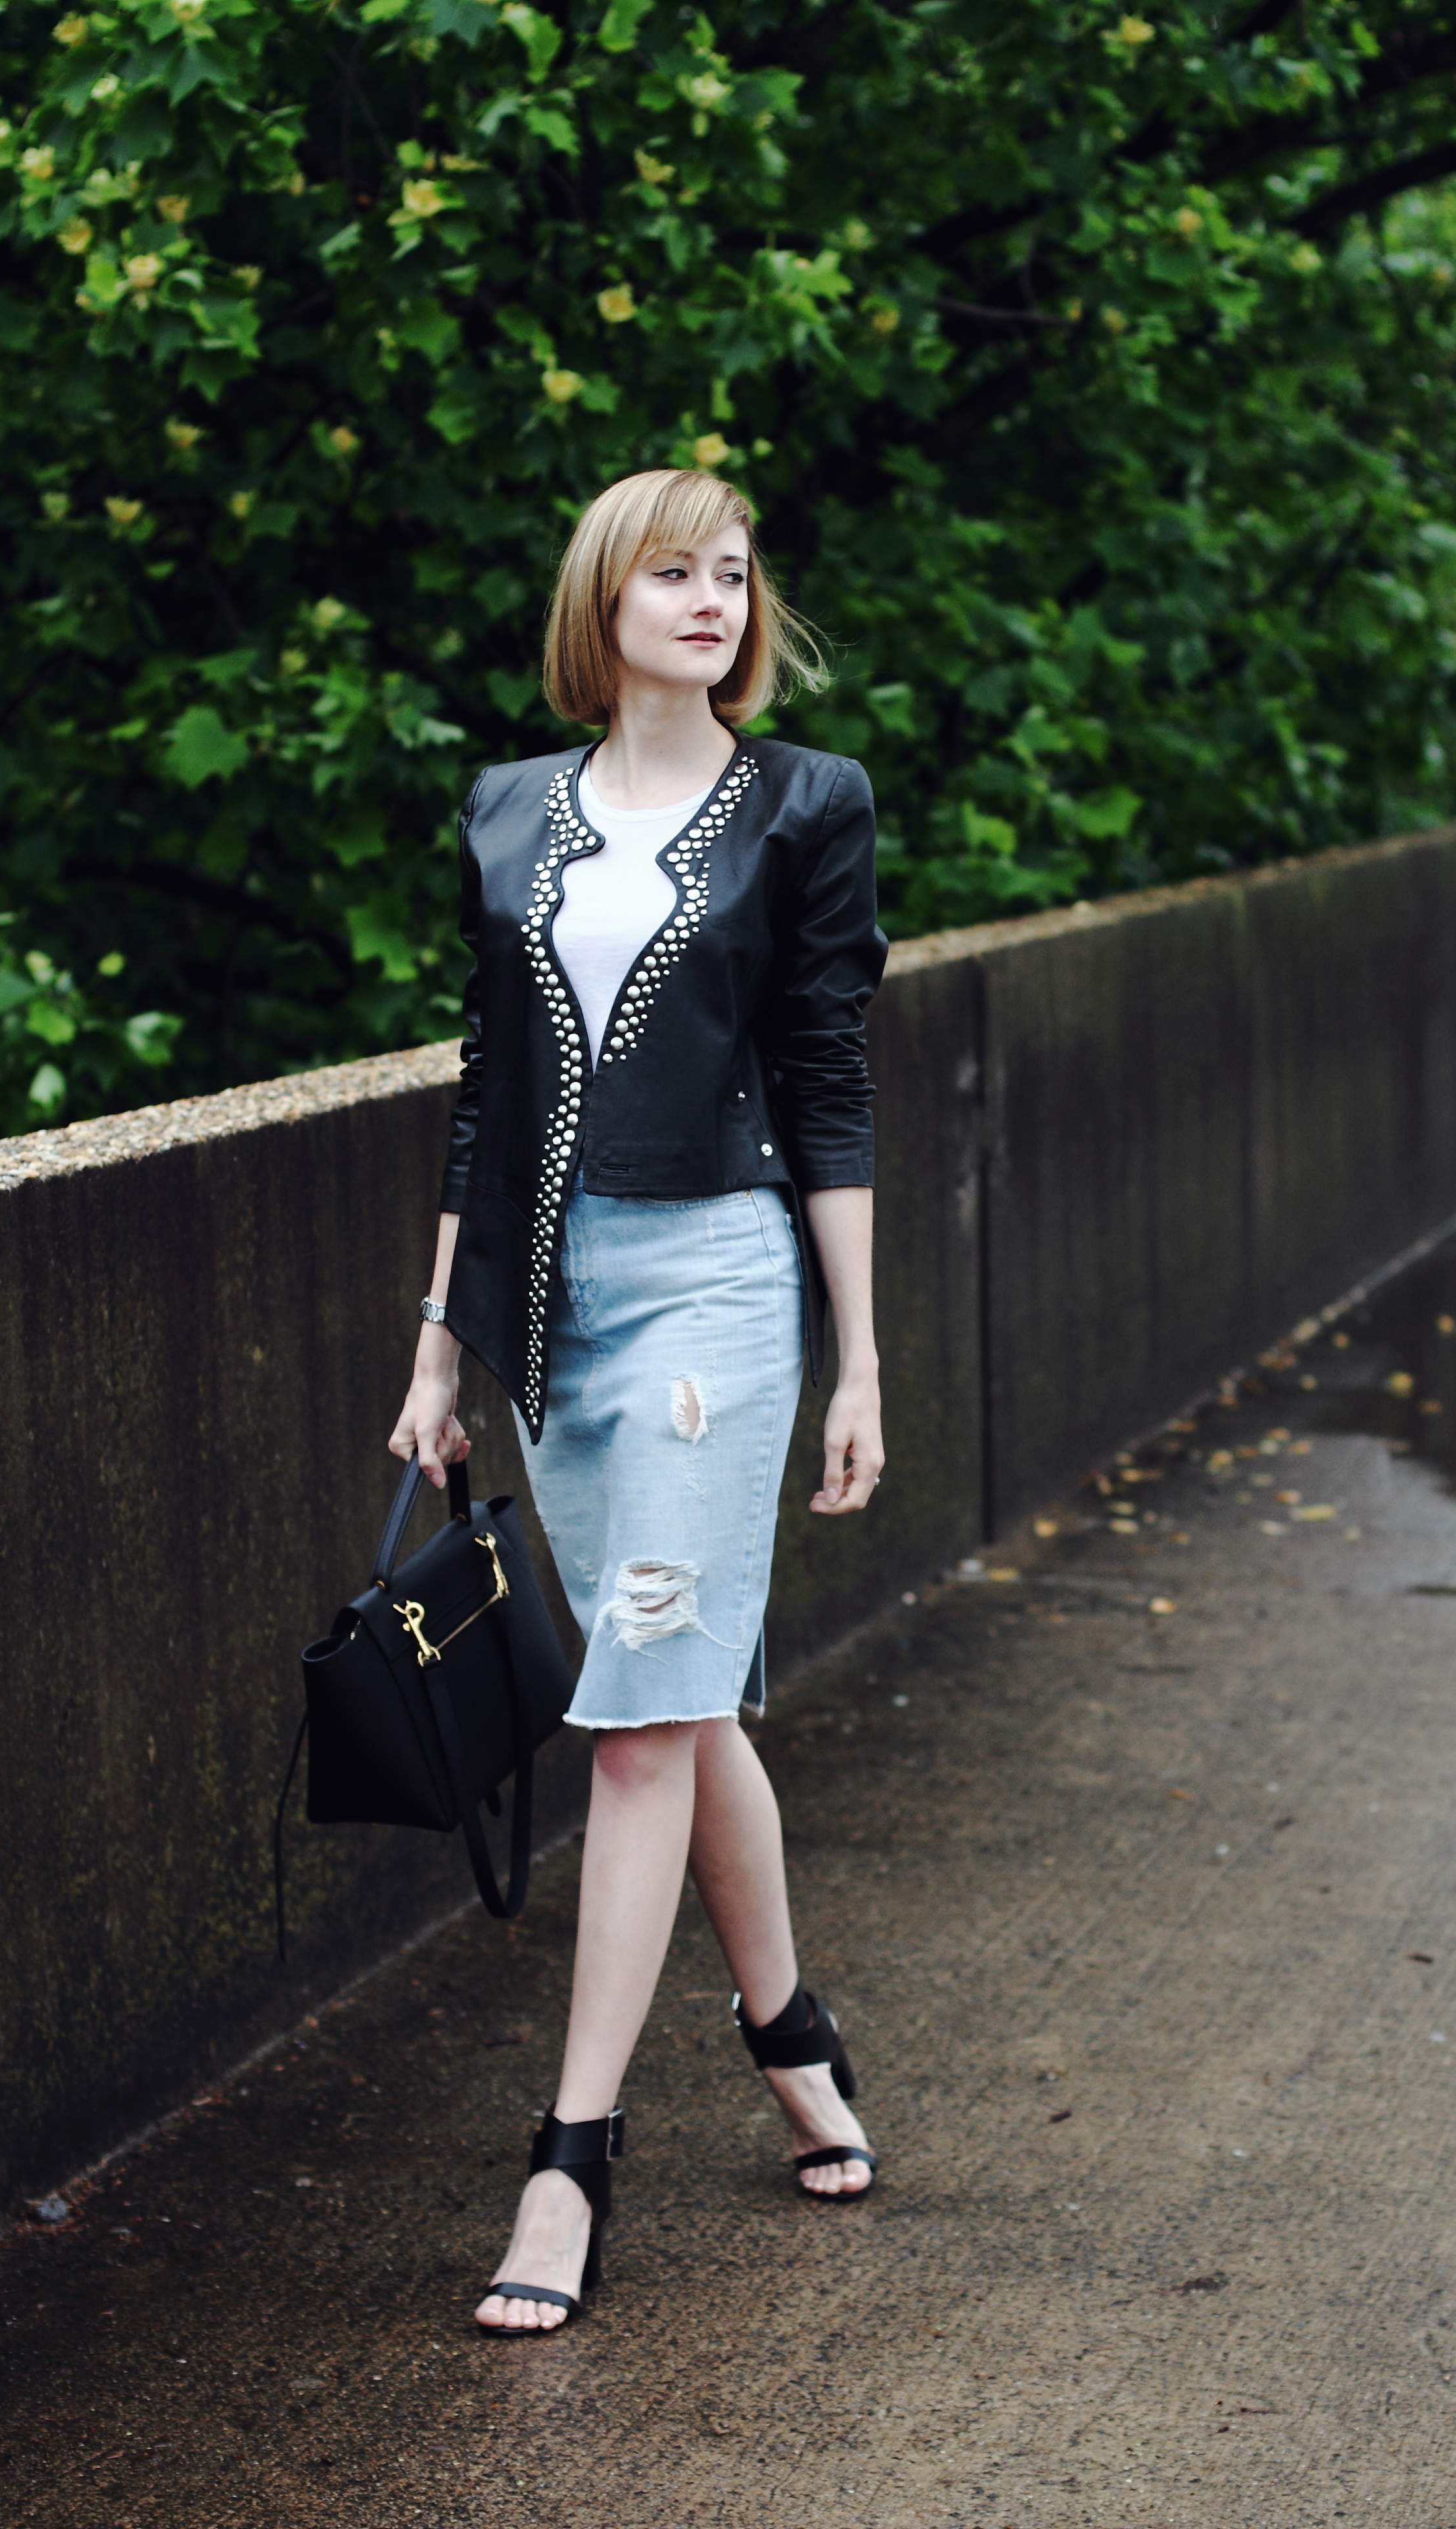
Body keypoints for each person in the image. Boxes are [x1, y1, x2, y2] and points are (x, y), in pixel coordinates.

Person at [389, 468, 887, 2337]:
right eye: (673, 571)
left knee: (633, 1731)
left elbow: (830, 1082)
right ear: (604, 603)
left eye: (733, 572)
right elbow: (479, 1094)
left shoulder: (806, 805)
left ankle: (571, 2155)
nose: (710, 598)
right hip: (546, 1301)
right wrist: (440, 1343)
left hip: (718, 1293)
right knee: (667, 1692)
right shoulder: (511, 812)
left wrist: (862, 1361)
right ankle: (789, 2033)